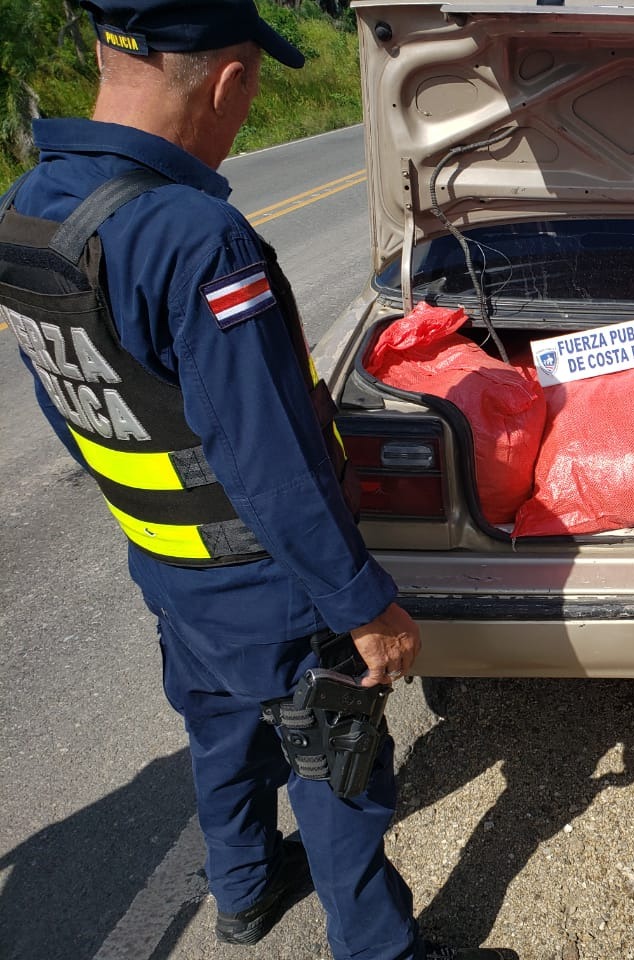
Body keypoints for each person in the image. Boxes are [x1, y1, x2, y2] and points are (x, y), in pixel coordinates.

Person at [0, 3, 514, 958]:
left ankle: (241, 890)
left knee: (220, 731)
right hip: (264, 576)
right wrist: (363, 604)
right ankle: (379, 949)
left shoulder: (29, 209)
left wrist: (156, 515)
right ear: (231, 83)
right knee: (337, 766)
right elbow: (272, 458)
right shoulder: (194, 238)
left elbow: (68, 404)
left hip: (166, 560)